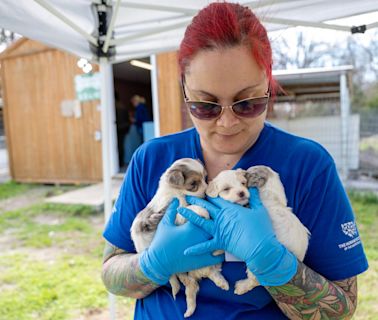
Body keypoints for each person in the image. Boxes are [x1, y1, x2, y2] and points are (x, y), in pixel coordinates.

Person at [102, 3, 368, 319]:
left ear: (269, 85)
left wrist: (274, 264)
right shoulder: (153, 159)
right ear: (184, 90)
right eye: (205, 106)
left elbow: (342, 307)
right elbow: (110, 273)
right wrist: (153, 264)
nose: (227, 124)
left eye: (248, 103)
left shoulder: (307, 165)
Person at [123, 95, 152, 165]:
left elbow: (140, 119)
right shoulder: (142, 107)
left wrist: (133, 120)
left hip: (142, 127)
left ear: (135, 101)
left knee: (143, 142)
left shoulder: (139, 108)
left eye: (133, 103)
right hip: (145, 127)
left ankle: (143, 160)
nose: (133, 104)